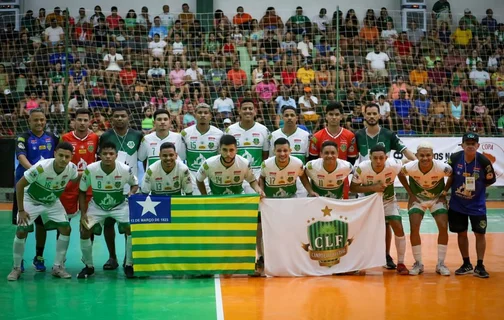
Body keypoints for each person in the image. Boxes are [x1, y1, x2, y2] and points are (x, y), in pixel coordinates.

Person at [355, 102, 417, 269]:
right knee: (362, 226)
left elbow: (404, 151)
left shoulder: (388, 134)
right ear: (364, 115)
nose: (372, 116)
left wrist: (417, 163)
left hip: (384, 185)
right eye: (369, 113)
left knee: (387, 223)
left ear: (380, 115)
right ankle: (362, 259)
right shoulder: (358, 135)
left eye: (375, 113)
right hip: (365, 185)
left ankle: (386, 255)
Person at [8, 142, 79, 281]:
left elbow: (77, 178)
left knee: (66, 228)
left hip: (52, 202)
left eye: (67, 157)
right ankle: (16, 268)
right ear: (55, 154)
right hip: (32, 200)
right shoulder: (41, 167)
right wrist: (21, 210)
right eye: (60, 155)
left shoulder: (71, 168)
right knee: (22, 230)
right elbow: (20, 184)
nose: (63, 159)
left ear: (71, 157)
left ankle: (58, 267)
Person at [77, 141, 138, 279]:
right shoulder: (91, 169)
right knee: (85, 229)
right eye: (104, 154)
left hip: (120, 206)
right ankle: (89, 266)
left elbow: (135, 184)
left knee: (131, 229)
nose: (108, 156)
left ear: (116, 155)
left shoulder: (124, 169)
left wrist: (132, 193)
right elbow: (81, 191)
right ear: (99, 155)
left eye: (111, 154)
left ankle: (129, 264)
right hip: (97, 206)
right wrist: (83, 214)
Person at [350, 144, 409, 275]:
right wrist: (372, 188)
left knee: (398, 226)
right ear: (370, 157)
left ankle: (401, 262)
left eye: (381, 158)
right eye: (375, 158)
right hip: (367, 203)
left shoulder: (393, 165)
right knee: (361, 232)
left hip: (388, 201)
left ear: (386, 157)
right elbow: (353, 188)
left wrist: (410, 191)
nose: (378, 161)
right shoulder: (362, 168)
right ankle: (358, 263)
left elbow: (403, 170)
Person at [13, 108, 59, 272]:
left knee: (41, 224)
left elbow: (59, 156)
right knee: (23, 224)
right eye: (35, 120)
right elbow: (21, 156)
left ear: (45, 120)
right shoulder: (23, 138)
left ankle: (39, 257)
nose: (39, 123)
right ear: (29, 121)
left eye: (42, 120)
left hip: (45, 187)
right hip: (25, 184)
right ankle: (19, 261)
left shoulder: (52, 138)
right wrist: (34, 172)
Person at [445, 133, 496, 278]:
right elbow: (450, 176)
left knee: (480, 233)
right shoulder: (454, 158)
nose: (470, 146)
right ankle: (466, 263)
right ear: (462, 145)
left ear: (478, 146)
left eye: (473, 143)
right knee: (461, 233)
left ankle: (480, 265)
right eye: (467, 143)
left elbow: (490, 180)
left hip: (477, 205)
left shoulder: (483, 161)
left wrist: (478, 188)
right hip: (457, 204)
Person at [398, 142, 453, 276]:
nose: (425, 158)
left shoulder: (442, 167)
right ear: (416, 156)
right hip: (418, 200)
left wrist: (444, 193)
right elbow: (400, 174)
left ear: (432, 155)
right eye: (421, 155)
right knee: (414, 227)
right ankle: (418, 263)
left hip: (436, 199)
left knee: (442, 226)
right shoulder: (410, 167)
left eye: (428, 155)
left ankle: (441, 263)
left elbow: (452, 175)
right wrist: (410, 194)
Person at [98, 107, 143, 270]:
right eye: (116, 116)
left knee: (127, 225)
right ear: (111, 118)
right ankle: (112, 257)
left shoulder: (137, 135)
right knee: (108, 223)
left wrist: (141, 182)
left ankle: (127, 257)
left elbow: (143, 159)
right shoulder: (105, 136)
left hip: (131, 186)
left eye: (123, 116)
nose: (120, 119)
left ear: (128, 117)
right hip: (110, 187)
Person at [309, 102, 358, 198]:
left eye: (337, 114)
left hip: (341, 179)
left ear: (341, 116)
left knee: (342, 210)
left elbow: (351, 160)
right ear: (326, 116)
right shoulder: (317, 137)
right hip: (321, 179)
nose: (334, 117)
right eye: (331, 114)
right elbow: (312, 160)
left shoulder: (350, 136)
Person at [60, 109, 99, 223]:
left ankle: (87, 241)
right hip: (69, 184)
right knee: (64, 221)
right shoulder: (65, 138)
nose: (82, 122)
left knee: (88, 221)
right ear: (74, 121)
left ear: (90, 122)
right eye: (79, 119)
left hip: (88, 184)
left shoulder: (95, 138)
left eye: (85, 120)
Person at [196, 134, 264, 197]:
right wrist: (204, 196)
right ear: (219, 150)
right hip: (216, 199)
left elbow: (252, 181)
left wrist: (258, 189)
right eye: (225, 150)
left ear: (236, 150)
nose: (228, 154)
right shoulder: (208, 164)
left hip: (238, 199)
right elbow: (199, 179)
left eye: (231, 150)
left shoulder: (244, 163)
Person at [225, 99, 269, 193]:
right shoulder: (230, 130)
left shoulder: (264, 130)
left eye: (250, 108)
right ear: (239, 111)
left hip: (255, 176)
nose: (248, 111)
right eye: (245, 108)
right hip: (234, 176)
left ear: (255, 111)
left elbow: (265, 155)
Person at [181, 103, 223, 195]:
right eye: (200, 112)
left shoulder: (219, 134)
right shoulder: (185, 133)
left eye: (206, 113)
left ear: (211, 116)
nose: (203, 115)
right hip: (191, 178)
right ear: (195, 115)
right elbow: (181, 157)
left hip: (211, 178)